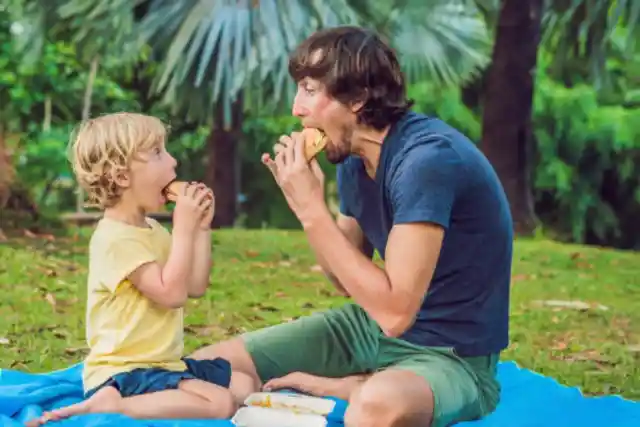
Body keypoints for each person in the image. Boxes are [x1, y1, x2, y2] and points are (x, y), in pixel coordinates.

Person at [190, 25, 513, 427]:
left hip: (452, 355)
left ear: (358, 98)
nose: (296, 108)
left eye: (309, 89)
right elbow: (347, 279)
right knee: (205, 366)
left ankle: (361, 385)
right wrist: (304, 204)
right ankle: (356, 381)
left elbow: (397, 312)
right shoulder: (353, 159)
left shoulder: (426, 163)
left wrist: (312, 210)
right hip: (368, 330)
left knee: (375, 408)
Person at [26, 113, 255, 427]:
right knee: (220, 403)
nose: (173, 162)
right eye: (158, 153)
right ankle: (118, 405)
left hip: (163, 365)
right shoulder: (114, 239)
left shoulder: (150, 230)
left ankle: (150, 397)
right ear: (122, 176)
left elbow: (194, 287)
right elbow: (172, 295)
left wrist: (201, 229)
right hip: (125, 371)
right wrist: (183, 229)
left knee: (244, 384)